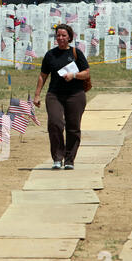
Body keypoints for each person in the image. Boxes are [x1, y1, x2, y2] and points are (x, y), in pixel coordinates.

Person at [33, 24, 90, 170]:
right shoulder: (50, 55)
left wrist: (74, 75)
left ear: (69, 37)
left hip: (75, 95)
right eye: (58, 35)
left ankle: (69, 159)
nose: (61, 38)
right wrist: (37, 95)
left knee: (73, 127)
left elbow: (86, 73)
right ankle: (57, 158)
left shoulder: (76, 53)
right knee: (55, 123)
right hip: (55, 95)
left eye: (64, 35)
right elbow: (43, 76)